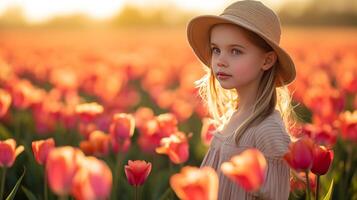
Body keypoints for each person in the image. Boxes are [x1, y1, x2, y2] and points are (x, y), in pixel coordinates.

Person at [186, 0, 300, 199]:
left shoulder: (267, 129)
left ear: (266, 61)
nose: (220, 60)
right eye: (216, 49)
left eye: (235, 51)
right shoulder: (231, 117)